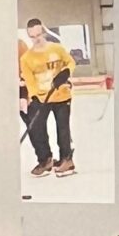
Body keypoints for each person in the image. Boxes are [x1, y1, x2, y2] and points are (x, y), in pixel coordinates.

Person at [19, 17, 77, 181]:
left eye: (38, 34)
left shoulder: (57, 49)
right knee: (37, 129)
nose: (36, 38)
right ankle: (45, 160)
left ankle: (67, 160)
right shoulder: (26, 59)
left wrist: (65, 72)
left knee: (63, 129)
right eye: (32, 36)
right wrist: (36, 96)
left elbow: (70, 62)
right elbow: (30, 81)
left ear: (43, 32)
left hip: (62, 96)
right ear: (29, 35)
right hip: (41, 98)